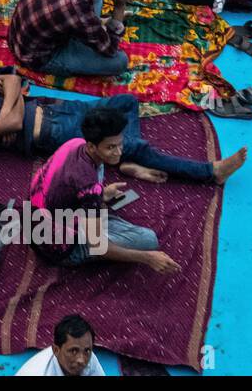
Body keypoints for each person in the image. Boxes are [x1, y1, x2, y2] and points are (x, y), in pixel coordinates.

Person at [0, 64, 248, 182]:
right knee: (134, 144)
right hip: (51, 133)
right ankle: (209, 173)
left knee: (126, 102)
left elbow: (13, 77)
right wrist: (10, 108)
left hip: (58, 109)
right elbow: (14, 118)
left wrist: (10, 106)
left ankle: (121, 161)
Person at [27, 106, 201, 273]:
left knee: (100, 167)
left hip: (40, 218)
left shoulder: (76, 143)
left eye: (120, 144)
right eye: (111, 147)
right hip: (56, 248)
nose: (118, 152)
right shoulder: (88, 186)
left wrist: (101, 195)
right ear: (91, 146)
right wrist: (148, 258)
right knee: (149, 240)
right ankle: (92, 225)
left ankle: (95, 211)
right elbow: (98, 246)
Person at [16, 314, 106, 375]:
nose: (81, 360)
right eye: (73, 351)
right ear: (56, 350)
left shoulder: (86, 354)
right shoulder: (39, 373)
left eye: (87, 350)